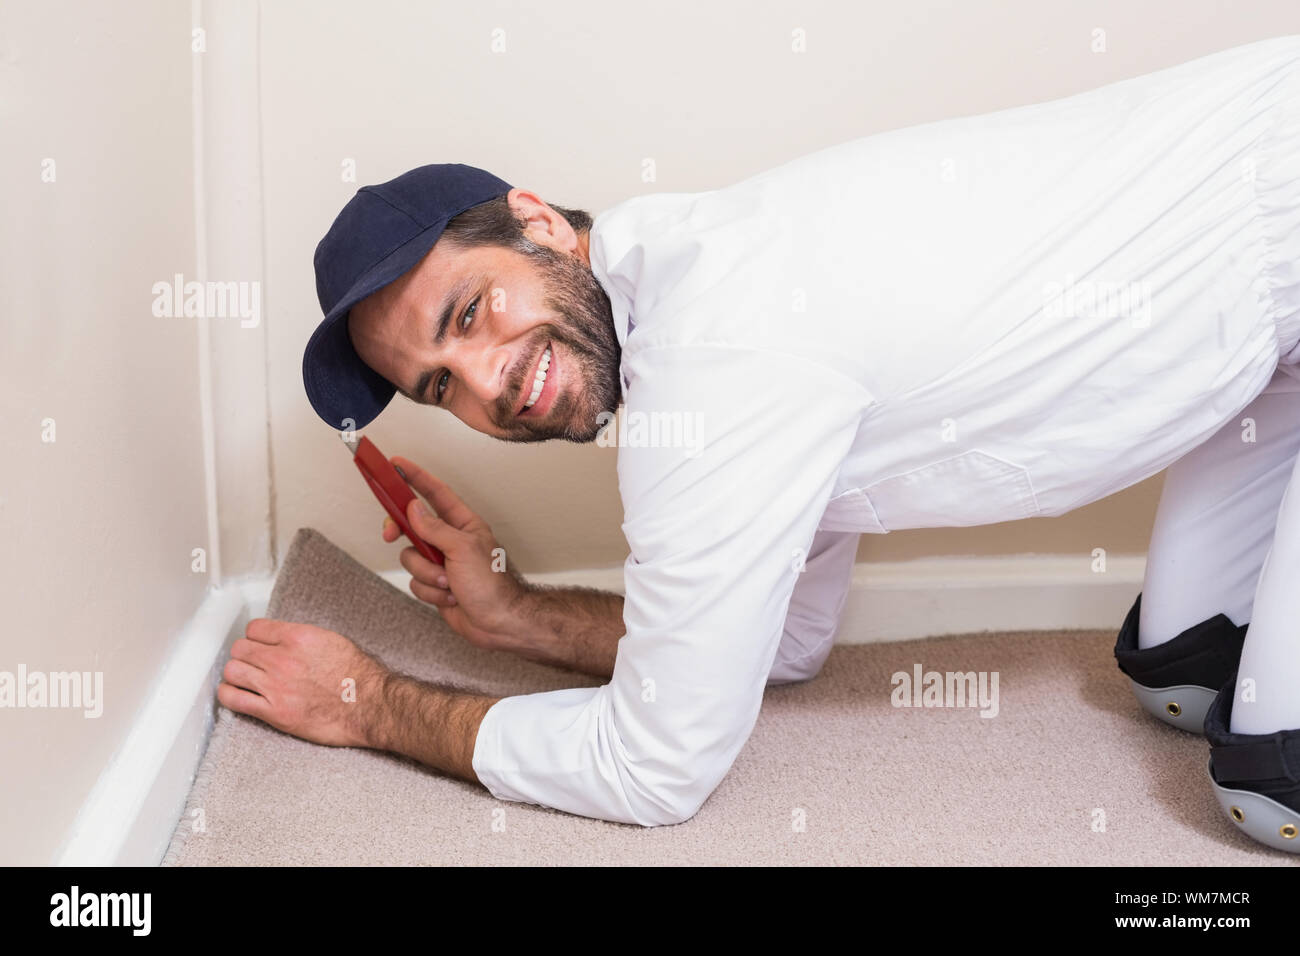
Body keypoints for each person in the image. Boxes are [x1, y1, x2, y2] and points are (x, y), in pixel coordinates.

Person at [219, 34, 1300, 852]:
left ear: (537, 223)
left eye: (469, 313)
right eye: (440, 384)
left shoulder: (717, 357)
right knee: (1183, 671)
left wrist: (371, 704)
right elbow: (784, 644)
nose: (491, 381)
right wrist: (515, 613)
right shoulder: (693, 298)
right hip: (1267, 299)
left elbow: (653, 766)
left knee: (1270, 787)